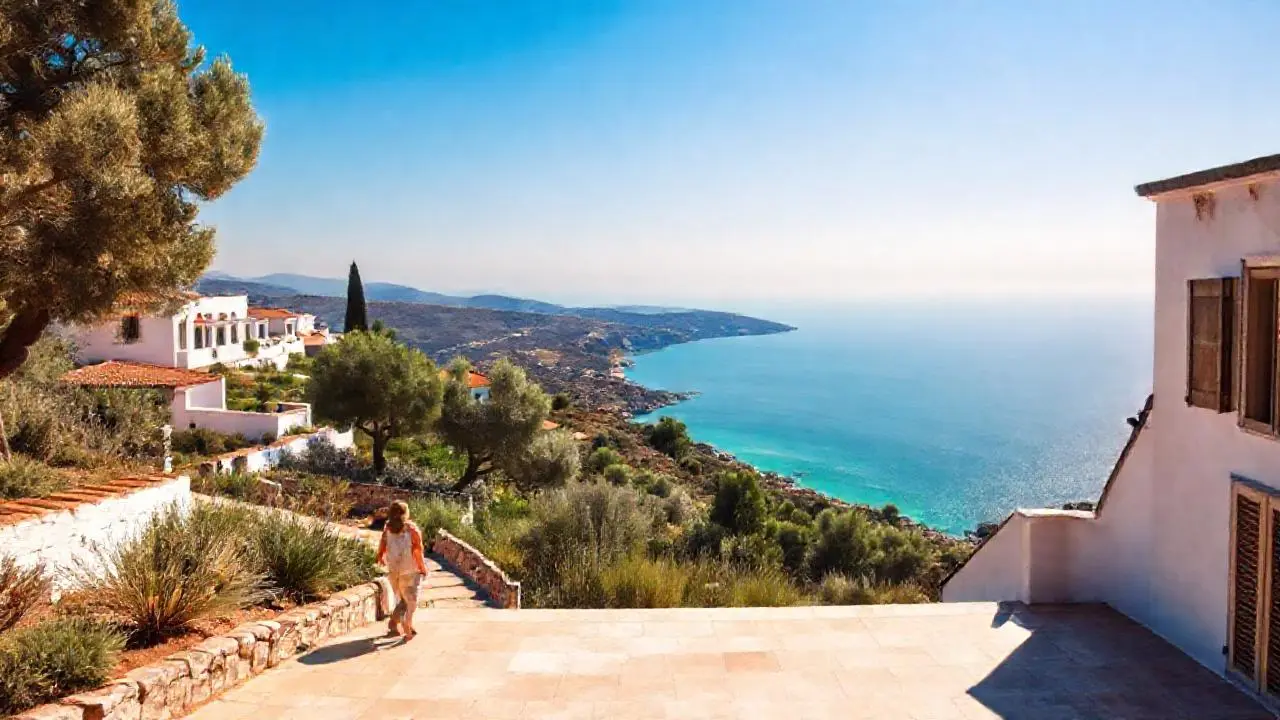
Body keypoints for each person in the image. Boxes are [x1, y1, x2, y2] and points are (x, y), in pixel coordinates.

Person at [376, 501, 428, 639]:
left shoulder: (388, 527)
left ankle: (396, 624)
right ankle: (404, 623)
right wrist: (422, 567)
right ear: (405, 513)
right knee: (411, 599)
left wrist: (380, 556)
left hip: (394, 569)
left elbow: (383, 542)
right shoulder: (411, 529)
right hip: (410, 569)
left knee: (403, 598)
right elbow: (417, 550)